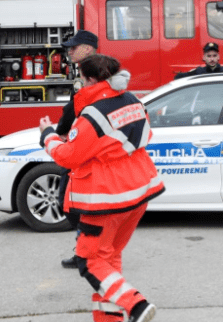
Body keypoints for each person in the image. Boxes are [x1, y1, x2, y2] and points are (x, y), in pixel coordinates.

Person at [39, 54, 165, 322]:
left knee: (89, 262)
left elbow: (68, 156)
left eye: (81, 79)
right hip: (138, 193)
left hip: (106, 199)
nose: (79, 85)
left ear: (92, 79)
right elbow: (142, 136)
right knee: (108, 261)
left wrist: (47, 136)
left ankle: (136, 305)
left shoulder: (94, 114)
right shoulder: (132, 101)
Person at [57, 29, 99, 269]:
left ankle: (90, 251)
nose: (69, 51)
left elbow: (78, 108)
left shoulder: (96, 73)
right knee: (73, 202)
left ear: (87, 48)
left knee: (70, 200)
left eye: (74, 46)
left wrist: (58, 130)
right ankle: (85, 250)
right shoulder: (85, 72)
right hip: (78, 141)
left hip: (85, 146)